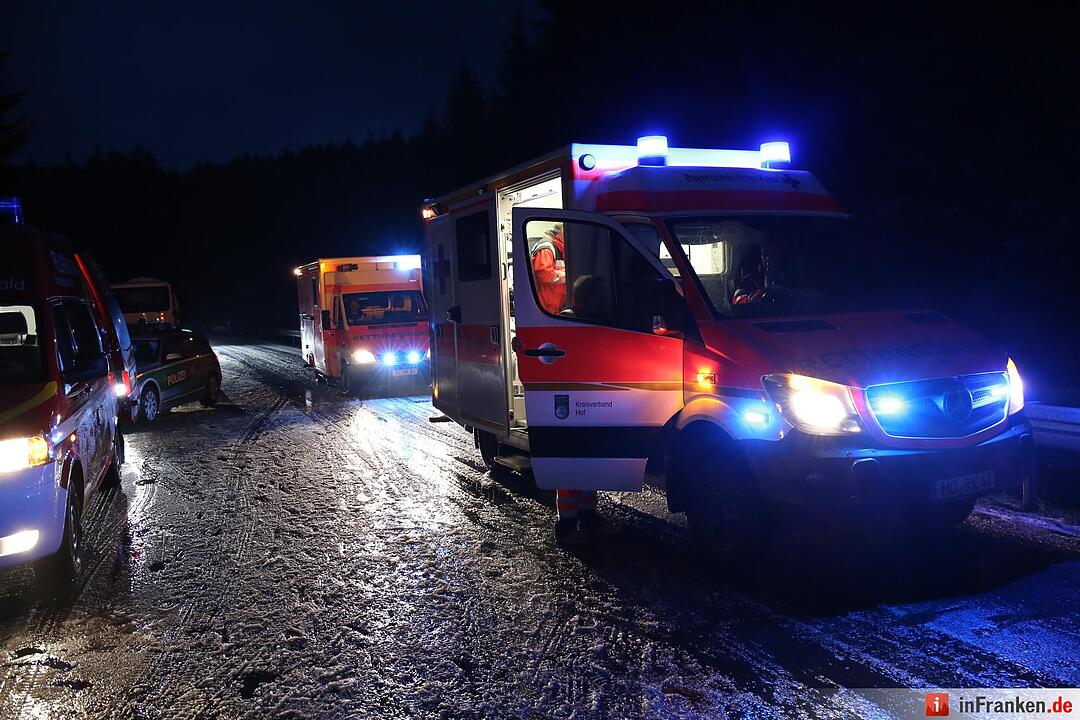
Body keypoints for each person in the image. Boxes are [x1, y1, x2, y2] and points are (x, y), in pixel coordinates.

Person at [531, 225, 566, 314]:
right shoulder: (546, 248)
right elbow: (545, 275)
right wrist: (569, 275)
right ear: (561, 231)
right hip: (546, 306)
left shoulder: (559, 247)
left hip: (554, 305)